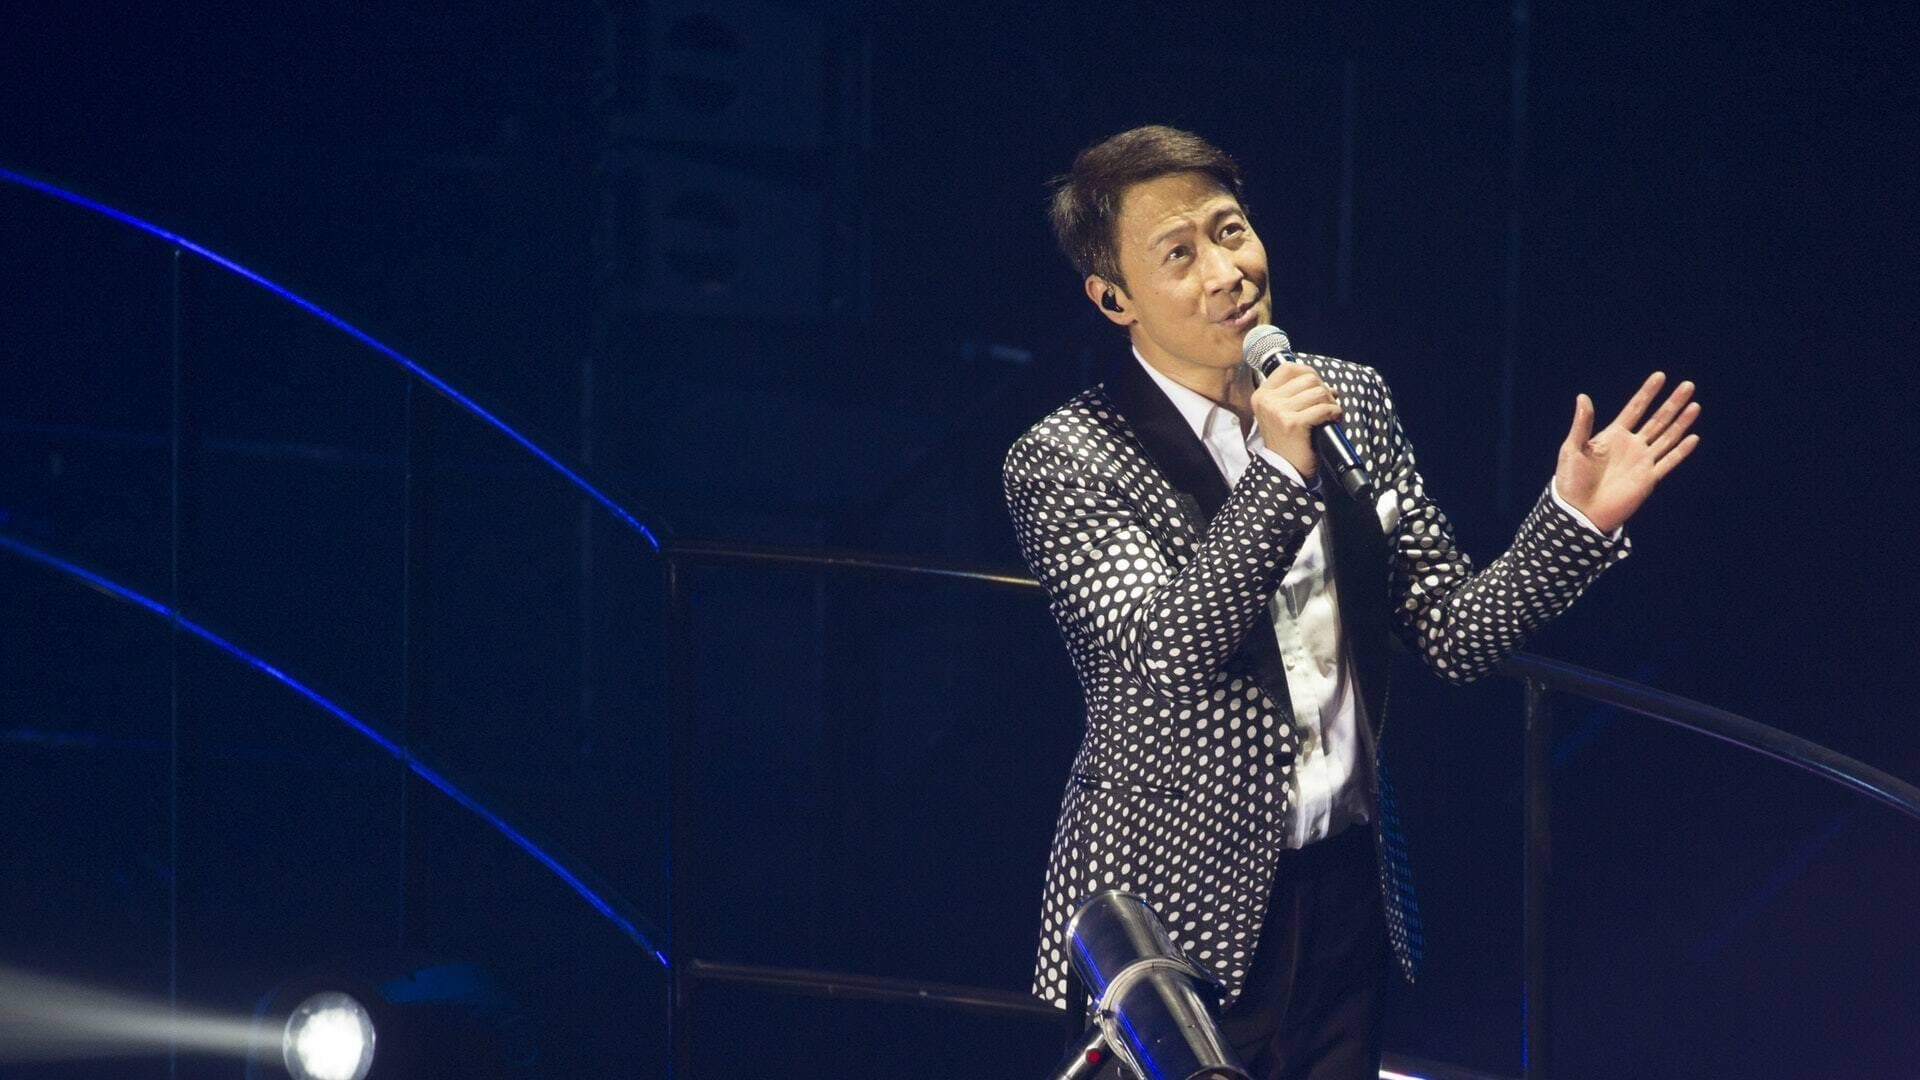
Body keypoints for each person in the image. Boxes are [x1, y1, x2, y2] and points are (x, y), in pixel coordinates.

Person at [1003, 125, 1699, 1079]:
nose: (1227, 272)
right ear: (1113, 298)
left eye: (1231, 230)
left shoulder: (1349, 399)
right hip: (1169, 908)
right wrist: (1279, 474)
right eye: (1180, 254)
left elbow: (1451, 632)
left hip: (1343, 889)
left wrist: (1574, 520)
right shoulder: (1068, 457)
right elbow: (1167, 653)